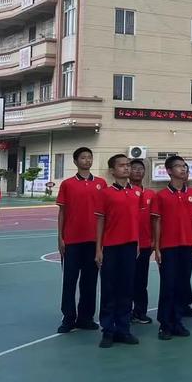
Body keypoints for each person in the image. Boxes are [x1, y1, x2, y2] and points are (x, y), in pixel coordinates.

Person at [152, 156, 192, 340]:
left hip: (186, 246)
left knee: (182, 285)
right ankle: (165, 324)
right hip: (168, 247)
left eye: (184, 166)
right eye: (178, 166)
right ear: (169, 171)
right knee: (168, 286)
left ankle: (177, 321)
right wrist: (157, 247)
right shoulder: (161, 196)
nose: (182, 169)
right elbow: (157, 222)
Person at [94, 154, 142, 348]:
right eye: (122, 165)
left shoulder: (137, 192)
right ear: (112, 171)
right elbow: (100, 221)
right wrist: (99, 248)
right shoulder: (105, 193)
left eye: (128, 165)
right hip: (111, 247)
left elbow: (136, 220)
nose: (126, 168)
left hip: (130, 246)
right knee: (109, 289)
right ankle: (108, 330)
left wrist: (137, 242)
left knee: (126, 288)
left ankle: (123, 329)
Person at [55, 148, 105, 333]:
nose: (87, 160)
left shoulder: (101, 183)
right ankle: (68, 317)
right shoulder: (68, 184)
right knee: (69, 280)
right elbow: (62, 212)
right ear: (75, 162)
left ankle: (86, 317)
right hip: (72, 240)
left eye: (89, 157)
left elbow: (103, 215)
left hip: (93, 240)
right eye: (83, 158)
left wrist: (102, 242)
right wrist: (60, 237)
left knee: (90, 281)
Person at [130, 159, 156, 325]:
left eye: (141, 169)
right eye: (134, 168)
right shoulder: (124, 193)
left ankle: (140, 312)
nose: (138, 171)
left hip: (145, 245)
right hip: (126, 244)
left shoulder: (151, 195)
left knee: (141, 281)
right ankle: (125, 311)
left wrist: (154, 240)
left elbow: (155, 220)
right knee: (125, 281)